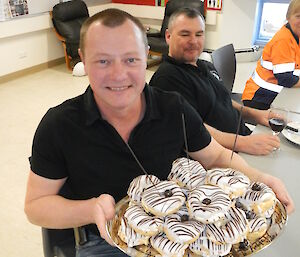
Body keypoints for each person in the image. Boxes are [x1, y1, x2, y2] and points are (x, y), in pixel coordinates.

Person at [24, 8, 294, 257]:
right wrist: (90, 209)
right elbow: (36, 206)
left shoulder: (173, 107)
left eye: (131, 59)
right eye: (103, 61)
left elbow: (216, 157)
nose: (119, 75)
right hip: (105, 243)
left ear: (146, 57)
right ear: (83, 59)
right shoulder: (59, 125)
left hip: (179, 233)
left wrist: (262, 179)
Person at [149, 7, 280, 156]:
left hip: (244, 140)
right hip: (224, 157)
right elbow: (193, 130)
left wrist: (256, 114)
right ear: (168, 36)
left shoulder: (205, 65)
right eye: (185, 34)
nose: (193, 41)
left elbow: (223, 100)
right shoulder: (167, 78)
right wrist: (244, 143)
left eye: (199, 34)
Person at [242, 0, 300, 110]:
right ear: (288, 17)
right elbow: (286, 79)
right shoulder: (283, 40)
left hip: (276, 93)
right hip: (260, 97)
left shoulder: (296, 34)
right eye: (298, 16)